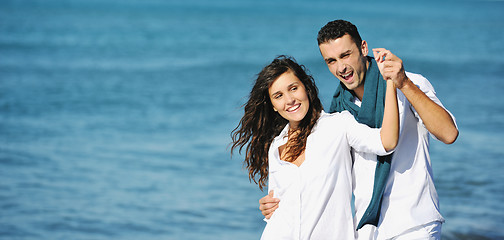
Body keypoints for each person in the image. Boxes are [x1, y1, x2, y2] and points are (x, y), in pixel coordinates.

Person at [259, 20, 459, 240]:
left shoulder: (409, 83)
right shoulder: (338, 112)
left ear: (363, 48)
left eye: (345, 55)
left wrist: (402, 83)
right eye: (331, 61)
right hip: (367, 230)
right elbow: (322, 178)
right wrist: (277, 203)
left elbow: (448, 134)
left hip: (413, 223)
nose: (340, 67)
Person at [231, 55, 399, 239]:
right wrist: (267, 207)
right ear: (273, 105)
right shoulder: (276, 146)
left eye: (293, 88)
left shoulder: (338, 125)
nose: (289, 100)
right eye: (278, 96)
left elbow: (387, 142)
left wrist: (390, 82)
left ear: (306, 87)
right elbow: (275, 207)